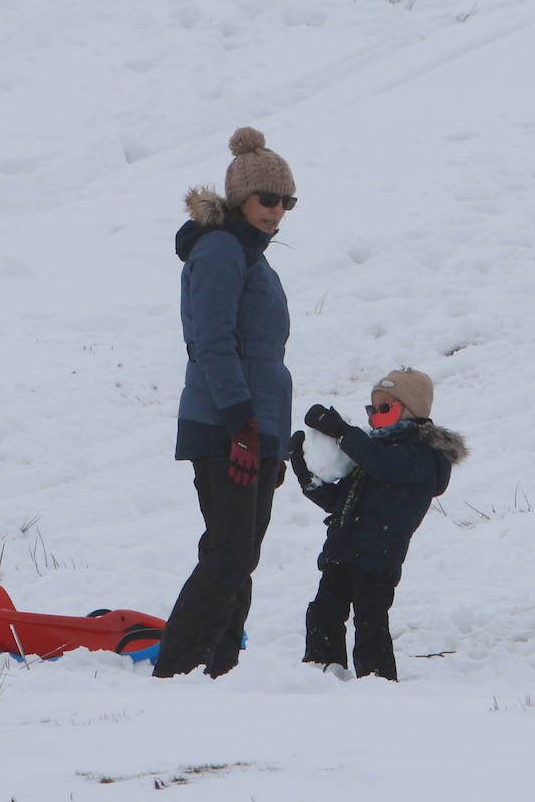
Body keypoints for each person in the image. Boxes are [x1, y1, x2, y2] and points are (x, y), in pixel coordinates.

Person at [153, 126, 298, 679]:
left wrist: (272, 442)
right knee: (230, 554)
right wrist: (240, 423)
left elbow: (266, 360)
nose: (277, 211)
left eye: (286, 200)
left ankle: (219, 671)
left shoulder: (249, 255)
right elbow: (211, 342)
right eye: (268, 199)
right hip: (224, 424)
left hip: (252, 425)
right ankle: (177, 670)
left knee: (240, 555)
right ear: (241, 198)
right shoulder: (219, 251)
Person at [290, 368, 467, 681]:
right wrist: (308, 479)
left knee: (370, 622)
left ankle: (378, 684)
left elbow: (384, 466)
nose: (373, 417)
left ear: (411, 411)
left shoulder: (423, 456)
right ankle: (321, 675)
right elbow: (341, 501)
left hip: (378, 557)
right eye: (371, 409)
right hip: (344, 550)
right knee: (323, 613)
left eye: (384, 409)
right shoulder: (374, 451)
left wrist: (343, 433)